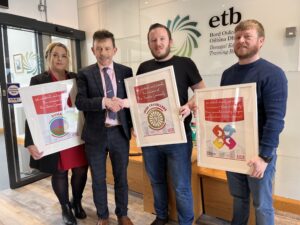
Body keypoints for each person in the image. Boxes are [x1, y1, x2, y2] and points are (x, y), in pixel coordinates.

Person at [136, 23, 206, 225]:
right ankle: (161, 216)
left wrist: (188, 105)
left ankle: (186, 222)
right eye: (153, 40)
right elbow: (140, 101)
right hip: (151, 138)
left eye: (162, 39)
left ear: (170, 41)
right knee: (156, 181)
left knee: (181, 186)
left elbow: (201, 92)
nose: (158, 43)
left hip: (178, 138)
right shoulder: (143, 67)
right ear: (149, 43)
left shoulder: (185, 63)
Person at [221, 19, 288, 225]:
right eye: (237, 37)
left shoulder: (273, 74)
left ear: (261, 41)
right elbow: (226, 113)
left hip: (259, 152)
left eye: (247, 36)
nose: (241, 40)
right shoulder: (227, 74)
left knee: (262, 203)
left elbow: (276, 120)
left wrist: (264, 157)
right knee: (239, 198)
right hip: (234, 147)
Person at [24, 42, 89, 225]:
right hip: (54, 134)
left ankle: (77, 201)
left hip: (76, 133)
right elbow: (31, 113)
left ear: (68, 58)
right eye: (55, 55)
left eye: (63, 55)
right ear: (48, 57)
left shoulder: (76, 77)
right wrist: (30, 141)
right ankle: (65, 207)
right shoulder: (38, 80)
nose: (60, 59)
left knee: (81, 169)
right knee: (60, 171)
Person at [75, 30, 133, 225]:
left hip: (119, 133)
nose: (103, 53)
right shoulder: (84, 73)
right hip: (95, 135)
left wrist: (132, 126)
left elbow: (132, 101)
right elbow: (80, 102)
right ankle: (102, 216)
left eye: (107, 48)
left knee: (121, 178)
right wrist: (104, 102)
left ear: (114, 49)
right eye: (99, 48)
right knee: (98, 179)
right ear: (93, 50)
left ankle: (122, 214)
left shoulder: (126, 72)